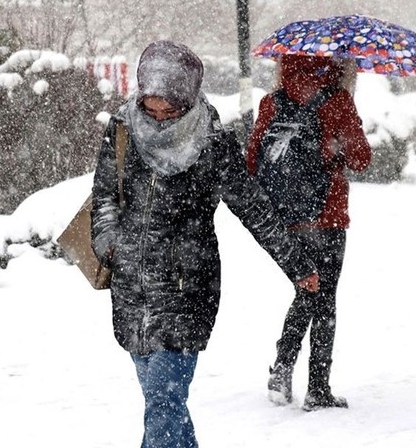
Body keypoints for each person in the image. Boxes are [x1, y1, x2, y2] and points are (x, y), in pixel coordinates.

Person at [90, 40, 319, 447]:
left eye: (170, 111)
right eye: (151, 109)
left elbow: (254, 209)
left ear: (190, 101)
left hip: (185, 290)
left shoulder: (211, 143)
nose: (159, 120)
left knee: (163, 404)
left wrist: (297, 265)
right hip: (131, 290)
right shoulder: (124, 128)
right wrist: (109, 243)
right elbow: (105, 194)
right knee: (166, 405)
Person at [246, 54, 371, 411]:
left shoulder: (272, 102)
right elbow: (361, 158)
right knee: (323, 299)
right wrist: (338, 145)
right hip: (326, 215)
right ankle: (317, 386)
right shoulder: (337, 100)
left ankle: (283, 366)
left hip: (287, 218)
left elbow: (253, 159)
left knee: (306, 288)